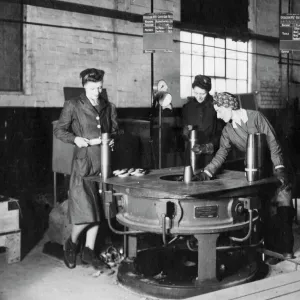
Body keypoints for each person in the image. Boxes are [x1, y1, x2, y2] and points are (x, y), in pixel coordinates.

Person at [192, 92, 295, 260]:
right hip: (255, 173)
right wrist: (206, 173)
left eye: (219, 110)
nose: (218, 115)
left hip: (276, 168)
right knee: (264, 210)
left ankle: (286, 249)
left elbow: (273, 143)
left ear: (228, 106)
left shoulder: (256, 117)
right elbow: (221, 154)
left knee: (283, 205)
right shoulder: (227, 130)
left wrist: (280, 168)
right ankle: (271, 251)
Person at [54, 68, 118, 271]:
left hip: (104, 164)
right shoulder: (73, 105)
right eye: (92, 88)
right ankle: (71, 243)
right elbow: (59, 130)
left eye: (99, 87)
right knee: (86, 211)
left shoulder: (109, 106)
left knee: (99, 209)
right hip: (84, 164)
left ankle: (89, 251)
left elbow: (114, 129)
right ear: (84, 85)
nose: (96, 92)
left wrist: (112, 140)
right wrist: (75, 139)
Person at [182, 75, 222, 169]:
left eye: (202, 94)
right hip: (191, 154)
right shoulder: (188, 107)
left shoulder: (216, 106)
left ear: (208, 91)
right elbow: (184, 129)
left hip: (211, 156)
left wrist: (207, 147)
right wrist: (185, 132)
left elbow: (222, 134)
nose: (199, 97)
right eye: (196, 93)